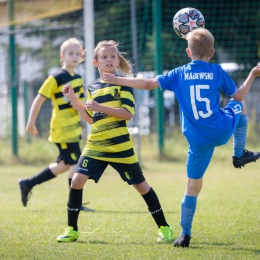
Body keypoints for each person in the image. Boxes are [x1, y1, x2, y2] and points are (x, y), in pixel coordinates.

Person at [103, 28, 260, 247]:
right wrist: (252, 74)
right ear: (212, 52)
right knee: (239, 104)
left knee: (192, 186)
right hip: (222, 128)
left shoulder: (179, 73)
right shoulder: (217, 71)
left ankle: (184, 234)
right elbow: (240, 95)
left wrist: (118, 80)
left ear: (188, 52)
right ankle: (239, 153)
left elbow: (147, 83)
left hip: (197, 141)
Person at [56, 40, 173, 242]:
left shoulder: (124, 84)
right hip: (96, 143)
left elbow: (127, 114)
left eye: (113, 56)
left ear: (118, 61)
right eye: (104, 57)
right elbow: (92, 118)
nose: (109, 60)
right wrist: (74, 99)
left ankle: (164, 228)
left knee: (142, 186)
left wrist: (102, 108)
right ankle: (72, 229)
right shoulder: (92, 86)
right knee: (76, 180)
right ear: (96, 62)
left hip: (120, 146)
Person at [18, 37, 94, 212]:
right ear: (62, 56)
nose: (74, 56)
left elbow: (80, 102)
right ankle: (74, 204)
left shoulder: (79, 78)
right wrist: (30, 122)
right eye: (70, 53)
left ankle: (27, 183)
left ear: (81, 56)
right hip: (62, 129)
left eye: (77, 53)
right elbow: (39, 99)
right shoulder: (55, 78)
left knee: (64, 165)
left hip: (74, 128)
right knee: (76, 163)